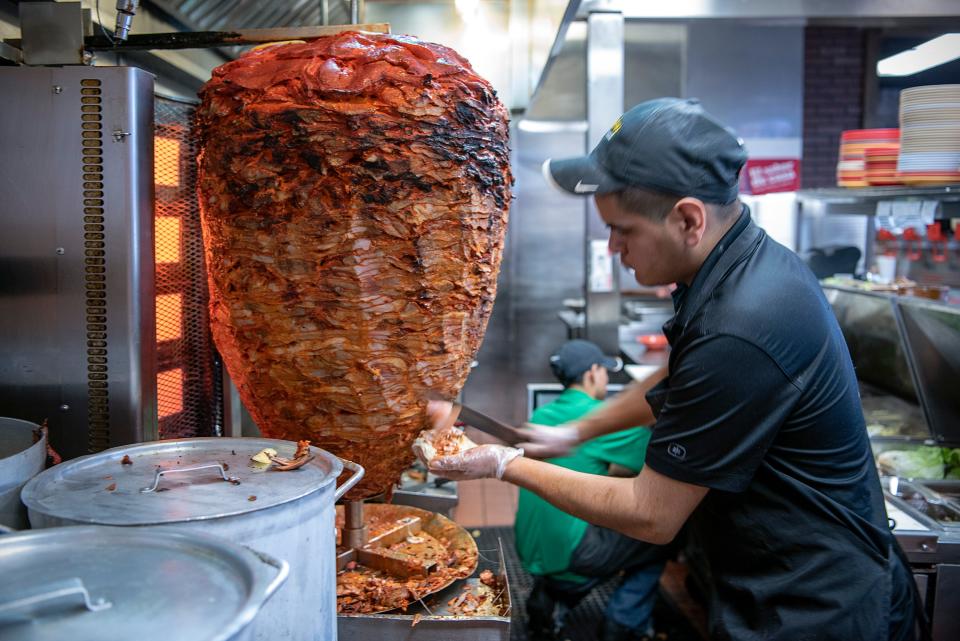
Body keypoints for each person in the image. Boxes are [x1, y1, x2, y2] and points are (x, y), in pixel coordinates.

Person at [422, 98, 920, 640]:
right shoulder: (729, 266)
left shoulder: (745, 320)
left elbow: (651, 514)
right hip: (770, 572)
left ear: (688, 219)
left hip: (816, 604)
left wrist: (503, 463)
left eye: (623, 230)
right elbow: (679, 374)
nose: (613, 247)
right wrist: (577, 430)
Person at [518, 339, 665, 641]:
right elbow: (655, 465)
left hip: (529, 550)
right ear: (592, 373)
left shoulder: (539, 418)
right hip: (573, 556)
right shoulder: (604, 421)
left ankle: (553, 597)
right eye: (604, 372)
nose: (607, 379)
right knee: (663, 534)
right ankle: (624, 623)